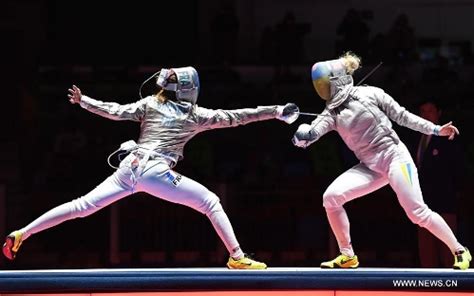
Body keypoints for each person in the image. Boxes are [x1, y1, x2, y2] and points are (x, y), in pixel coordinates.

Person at [3, 66, 300, 269]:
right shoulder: (195, 115)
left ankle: (23, 233)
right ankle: (236, 256)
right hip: (155, 170)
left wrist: (84, 101)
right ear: (187, 89)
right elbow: (237, 116)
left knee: (81, 206)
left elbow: (115, 111)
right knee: (211, 202)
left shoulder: (149, 104)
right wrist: (275, 111)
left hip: (128, 167)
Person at [292, 52, 471, 270]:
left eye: (322, 83)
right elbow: (313, 133)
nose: (320, 88)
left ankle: (460, 250)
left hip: (395, 158)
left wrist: (435, 129)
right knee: (331, 198)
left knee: (417, 213)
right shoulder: (331, 112)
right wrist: (302, 137)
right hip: (370, 167)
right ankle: (347, 255)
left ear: (336, 79)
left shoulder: (370, 94)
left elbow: (403, 116)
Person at [410, 99, 465, 268]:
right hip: (422, 202)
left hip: (445, 201)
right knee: (426, 251)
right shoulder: (415, 138)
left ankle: (453, 286)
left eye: (430, 111)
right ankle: (428, 287)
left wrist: (456, 194)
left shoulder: (449, 136)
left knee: (448, 249)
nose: (426, 114)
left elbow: (458, 169)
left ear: (439, 113)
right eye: (423, 111)